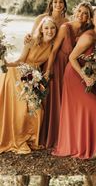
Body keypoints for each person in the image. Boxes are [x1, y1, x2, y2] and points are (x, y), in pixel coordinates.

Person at [52, 7, 96, 159]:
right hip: (74, 75)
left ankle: (86, 144)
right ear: (92, 20)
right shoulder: (88, 37)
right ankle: (86, 147)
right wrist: (85, 75)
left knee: (85, 110)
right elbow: (72, 57)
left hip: (86, 75)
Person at [0, 16, 57, 154]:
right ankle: (18, 139)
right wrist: (5, 63)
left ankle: (30, 138)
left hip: (34, 77)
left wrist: (46, 75)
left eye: (52, 28)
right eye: (47, 28)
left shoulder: (53, 46)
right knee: (21, 109)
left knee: (38, 110)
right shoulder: (31, 41)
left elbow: (48, 67)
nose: (50, 31)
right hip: (18, 75)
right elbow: (20, 61)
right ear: (42, 30)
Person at [41, 2, 93, 148]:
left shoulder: (86, 31)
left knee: (66, 100)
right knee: (55, 100)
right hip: (58, 65)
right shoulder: (65, 28)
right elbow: (54, 50)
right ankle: (52, 136)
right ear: (76, 11)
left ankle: (66, 134)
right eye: (80, 11)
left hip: (71, 68)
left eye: (86, 14)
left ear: (88, 17)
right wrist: (48, 70)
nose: (82, 15)